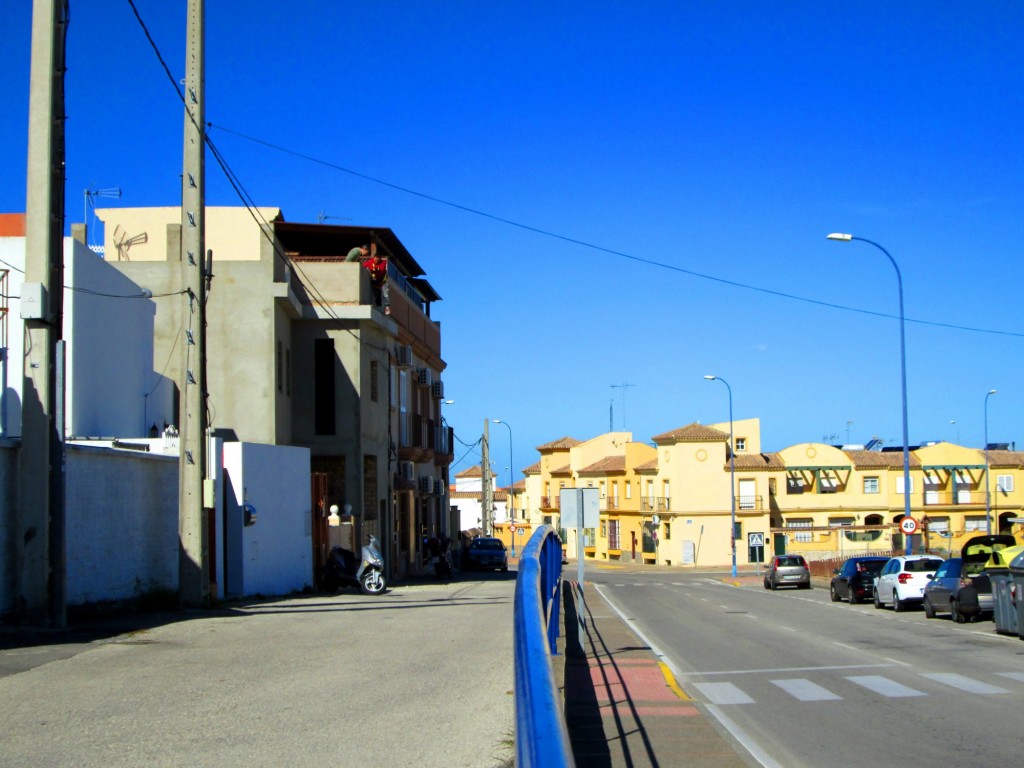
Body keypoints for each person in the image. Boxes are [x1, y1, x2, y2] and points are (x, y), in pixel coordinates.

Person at [363, 250, 391, 314]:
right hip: (375, 279)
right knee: (377, 293)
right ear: (374, 258)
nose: (376, 261)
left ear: (379, 259)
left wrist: (374, 268)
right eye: (375, 259)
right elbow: (363, 266)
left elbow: (381, 271)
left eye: (377, 260)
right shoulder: (370, 262)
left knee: (385, 292)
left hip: (383, 279)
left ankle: (387, 307)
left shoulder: (383, 263)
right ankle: (379, 305)